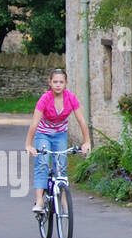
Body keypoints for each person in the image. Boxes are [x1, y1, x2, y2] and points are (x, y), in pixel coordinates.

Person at [24, 68, 92, 213]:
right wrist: (29, 145)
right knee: (42, 163)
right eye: (55, 82)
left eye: (61, 82)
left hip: (60, 134)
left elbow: (81, 120)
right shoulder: (45, 98)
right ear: (50, 83)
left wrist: (86, 142)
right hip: (43, 134)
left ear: (66, 83)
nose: (58, 85)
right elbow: (35, 123)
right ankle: (40, 201)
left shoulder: (70, 98)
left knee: (61, 165)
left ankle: (63, 200)